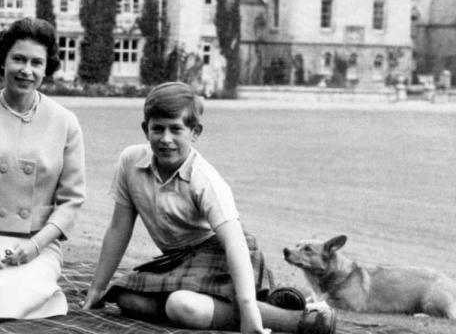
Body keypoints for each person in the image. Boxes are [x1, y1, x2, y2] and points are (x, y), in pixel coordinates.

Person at [81, 82, 337, 334]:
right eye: (157, 129)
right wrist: (96, 288)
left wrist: (248, 311)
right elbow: (119, 228)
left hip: (222, 253)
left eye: (176, 129)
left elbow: (234, 243)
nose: (166, 139)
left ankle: (300, 320)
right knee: (125, 298)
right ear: (145, 129)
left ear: (195, 132)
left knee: (181, 305)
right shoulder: (130, 162)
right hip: (176, 261)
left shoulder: (205, 179)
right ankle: (263, 302)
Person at [0, 17, 86, 319]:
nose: (26, 70)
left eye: (36, 62)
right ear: (2, 61)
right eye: (18, 59)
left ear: (47, 68)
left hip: (36, 242)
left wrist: (36, 245)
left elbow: (72, 200)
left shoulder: (65, 122)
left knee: (22, 298)